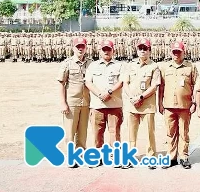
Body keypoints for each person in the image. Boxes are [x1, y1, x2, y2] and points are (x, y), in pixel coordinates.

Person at [122, 37, 161, 169]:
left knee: (150, 133)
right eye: (140, 48)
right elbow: (125, 83)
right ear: (137, 50)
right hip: (132, 104)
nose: (143, 51)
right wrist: (132, 97)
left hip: (147, 105)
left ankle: (151, 158)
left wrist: (141, 97)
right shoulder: (130, 65)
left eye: (145, 48)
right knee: (131, 134)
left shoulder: (154, 67)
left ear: (150, 50)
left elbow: (155, 86)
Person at [158, 41, 198, 169]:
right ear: (171, 52)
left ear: (183, 52)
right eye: (174, 52)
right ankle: (171, 157)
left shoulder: (190, 67)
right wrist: (160, 103)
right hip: (169, 106)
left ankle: (184, 156)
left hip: (185, 106)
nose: (176, 55)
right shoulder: (165, 68)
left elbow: (196, 86)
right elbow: (162, 87)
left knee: (184, 132)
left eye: (178, 52)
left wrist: (195, 103)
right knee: (170, 133)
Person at [84, 39, 124, 168]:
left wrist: (110, 92)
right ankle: (97, 157)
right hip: (97, 105)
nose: (106, 51)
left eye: (109, 49)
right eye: (104, 49)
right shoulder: (93, 65)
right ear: (100, 51)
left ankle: (115, 158)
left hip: (114, 105)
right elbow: (88, 82)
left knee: (114, 133)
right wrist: (99, 94)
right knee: (97, 133)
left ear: (113, 51)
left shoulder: (120, 65)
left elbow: (122, 81)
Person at [57, 37, 90, 168]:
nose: (80, 49)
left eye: (82, 46)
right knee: (70, 132)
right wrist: (62, 102)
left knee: (82, 133)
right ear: (73, 48)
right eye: (78, 46)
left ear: (86, 47)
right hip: (72, 103)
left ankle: (80, 156)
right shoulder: (67, 63)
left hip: (86, 103)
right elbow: (61, 84)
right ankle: (71, 157)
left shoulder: (91, 64)